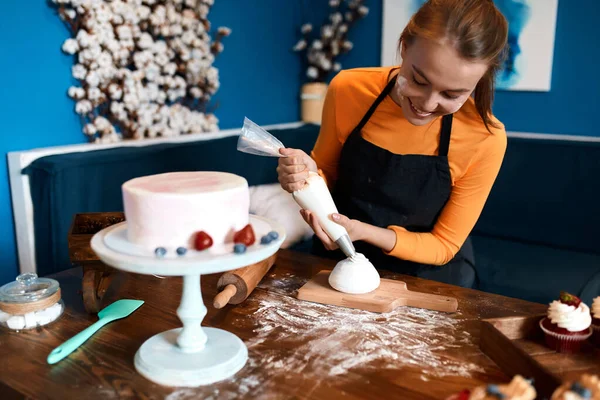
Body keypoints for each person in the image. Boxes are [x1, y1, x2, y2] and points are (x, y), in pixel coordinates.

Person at [277, 0, 509, 288]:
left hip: (430, 281)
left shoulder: (486, 137)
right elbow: (324, 172)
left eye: (451, 95)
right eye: (418, 79)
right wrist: (305, 175)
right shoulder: (349, 89)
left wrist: (363, 231)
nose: (427, 104)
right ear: (404, 47)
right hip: (338, 260)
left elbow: (444, 244)